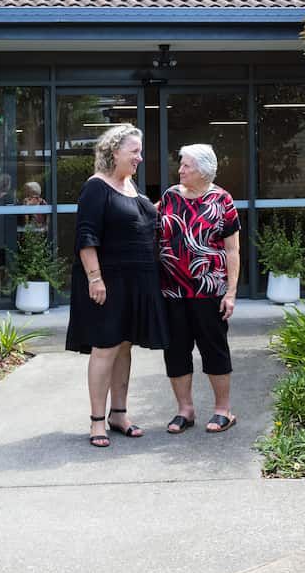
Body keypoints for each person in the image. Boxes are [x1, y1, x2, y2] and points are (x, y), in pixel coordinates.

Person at [66, 124, 168, 448]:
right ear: (114, 152)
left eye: (139, 151)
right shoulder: (96, 187)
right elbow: (86, 237)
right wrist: (95, 279)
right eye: (134, 151)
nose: (140, 157)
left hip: (138, 280)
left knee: (124, 346)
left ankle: (119, 414)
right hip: (108, 282)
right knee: (105, 347)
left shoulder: (130, 187)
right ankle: (97, 421)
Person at [157, 144, 241, 434]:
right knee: (176, 351)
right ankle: (185, 410)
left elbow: (232, 251)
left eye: (186, 166)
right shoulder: (169, 196)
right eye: (181, 164)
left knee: (214, 349)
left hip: (210, 291)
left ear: (203, 171)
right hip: (172, 291)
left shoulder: (222, 200)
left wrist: (230, 292)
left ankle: (223, 410)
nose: (180, 170)